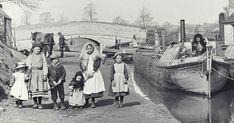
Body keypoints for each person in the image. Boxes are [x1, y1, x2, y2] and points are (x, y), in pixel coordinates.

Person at [79, 42, 105, 108]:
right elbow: (81, 65)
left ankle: (93, 101)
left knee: (93, 86)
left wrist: (93, 71)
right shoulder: (83, 56)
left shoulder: (96, 56)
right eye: (88, 48)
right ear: (86, 49)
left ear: (93, 49)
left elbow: (97, 64)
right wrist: (84, 72)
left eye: (90, 48)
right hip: (86, 71)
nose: (89, 50)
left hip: (94, 71)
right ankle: (86, 101)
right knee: (86, 86)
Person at [26, 42, 49, 109]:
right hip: (33, 74)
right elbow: (28, 66)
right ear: (33, 49)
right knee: (34, 87)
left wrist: (45, 74)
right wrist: (28, 74)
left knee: (40, 88)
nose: (37, 50)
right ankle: (35, 103)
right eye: (36, 49)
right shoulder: (30, 56)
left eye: (38, 49)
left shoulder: (42, 56)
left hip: (40, 73)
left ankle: (40, 103)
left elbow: (45, 65)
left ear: (40, 50)